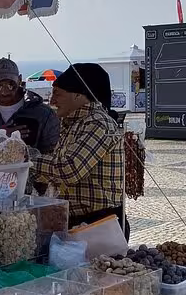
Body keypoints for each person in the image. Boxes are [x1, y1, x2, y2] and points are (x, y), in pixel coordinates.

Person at [30, 63, 129, 239]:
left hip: (99, 224)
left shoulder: (97, 123)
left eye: (57, 94)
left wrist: (27, 160)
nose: (52, 101)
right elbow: (54, 171)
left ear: (78, 95)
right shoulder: (71, 124)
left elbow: (69, 170)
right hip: (75, 221)